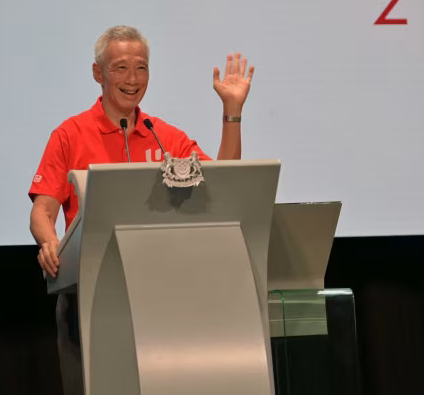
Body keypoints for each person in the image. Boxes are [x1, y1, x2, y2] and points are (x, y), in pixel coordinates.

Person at [28, 25, 255, 395]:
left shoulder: (164, 137)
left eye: (141, 68)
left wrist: (232, 111)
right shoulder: (69, 134)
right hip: (88, 294)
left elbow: (222, 184)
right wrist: (49, 242)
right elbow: (43, 209)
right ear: (98, 73)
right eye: (120, 68)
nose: (132, 79)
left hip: (160, 294)